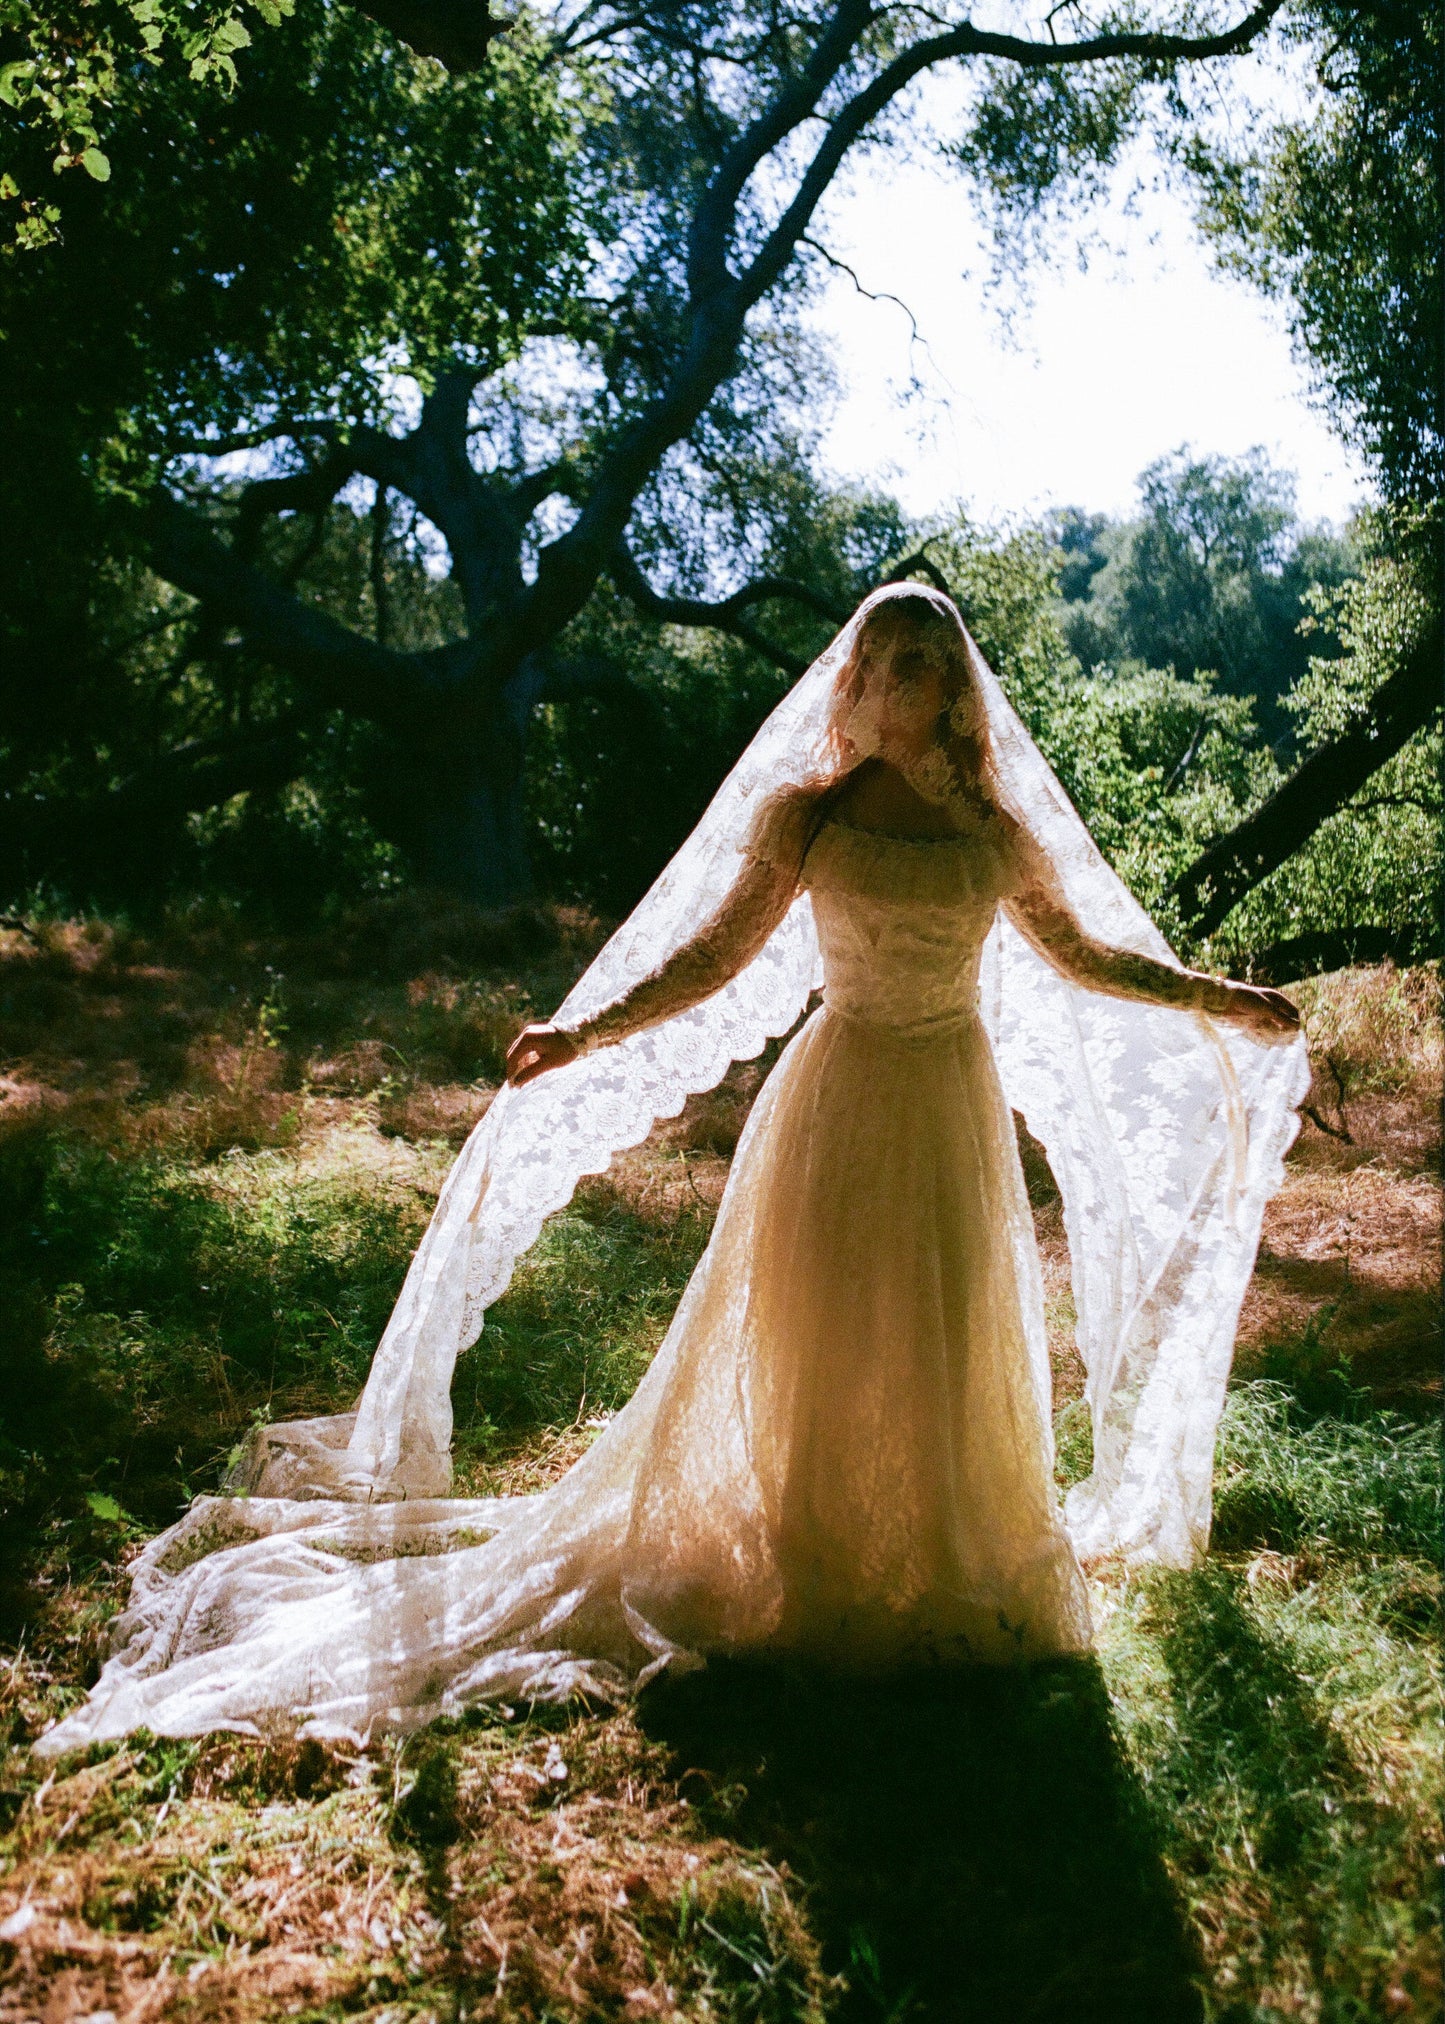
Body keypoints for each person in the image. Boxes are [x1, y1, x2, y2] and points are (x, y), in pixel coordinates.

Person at [38, 586, 1304, 1754]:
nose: (902, 679)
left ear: (953, 686)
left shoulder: (992, 824)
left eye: (926, 662)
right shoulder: (803, 816)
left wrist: (1213, 996)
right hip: (842, 1084)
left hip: (948, 1092)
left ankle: (936, 1567)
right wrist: (582, 1032)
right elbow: (708, 954)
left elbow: (1083, 953)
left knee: (939, 1319)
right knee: (818, 1322)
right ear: (854, 676)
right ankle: (813, 1565)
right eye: (884, 659)